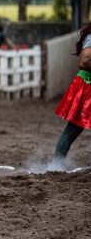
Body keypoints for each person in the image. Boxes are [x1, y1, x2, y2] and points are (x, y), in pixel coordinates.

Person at [52, 24, 91, 165]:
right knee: (72, 130)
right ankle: (56, 166)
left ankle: (56, 164)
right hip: (87, 86)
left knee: (72, 131)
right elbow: (85, 61)